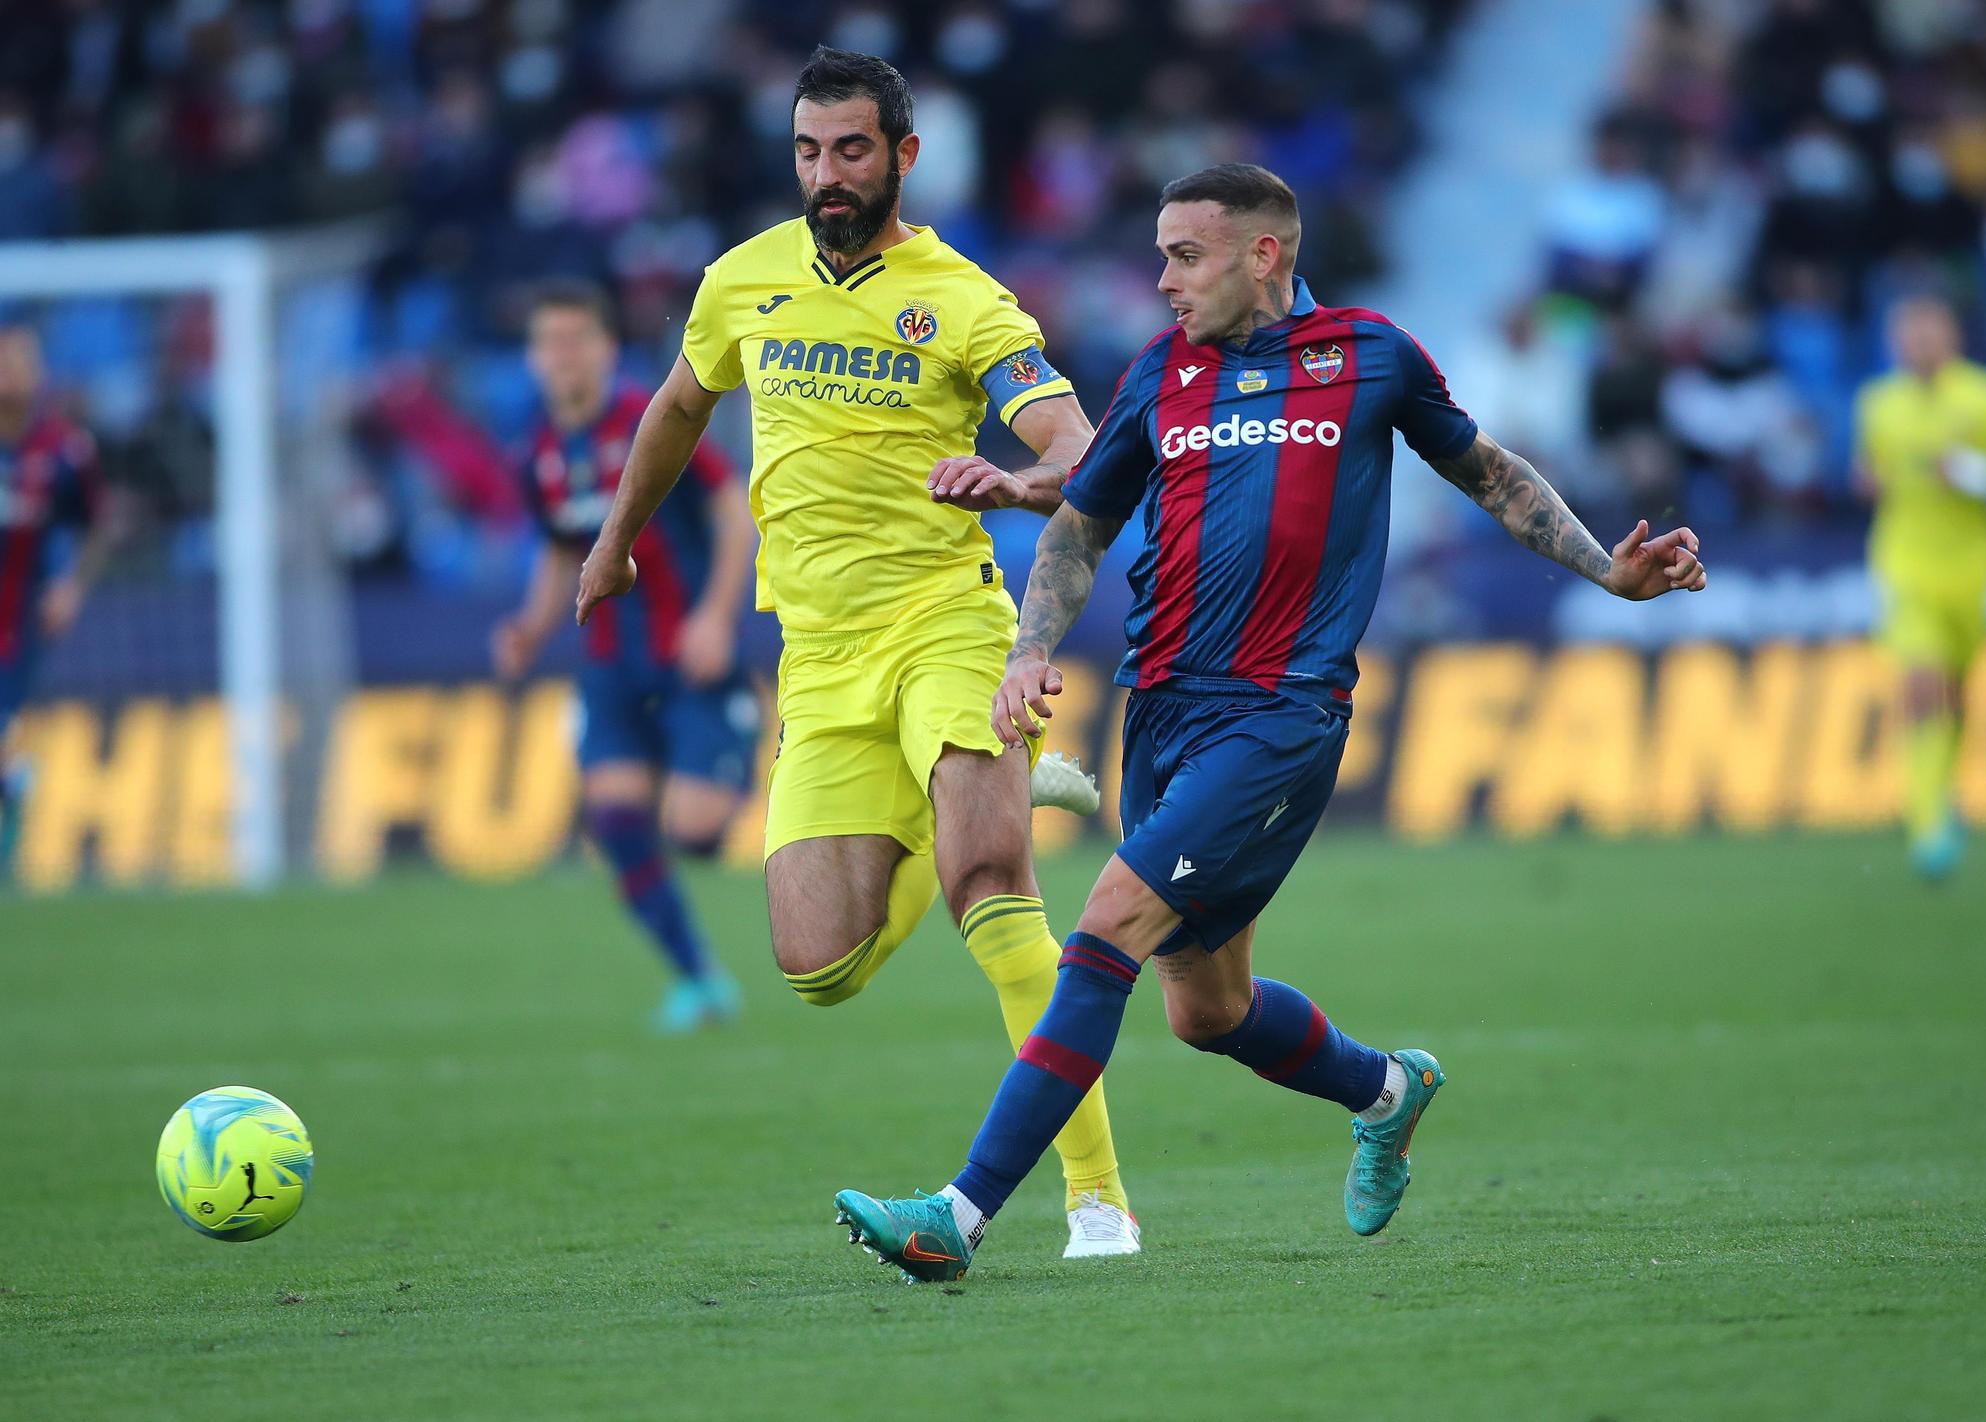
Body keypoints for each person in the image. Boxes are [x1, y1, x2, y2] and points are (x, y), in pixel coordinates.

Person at [833, 164, 1707, 1283]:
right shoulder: (1159, 373)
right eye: (1159, 255)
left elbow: (1491, 475)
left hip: (1281, 716)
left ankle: (956, 1216)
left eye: (1183, 256)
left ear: (1263, 255)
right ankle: (1385, 1089)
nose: (1162, 280)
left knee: (1104, 926)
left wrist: (1605, 571)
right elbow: (1081, 524)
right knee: (1207, 1010)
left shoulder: (1370, 358)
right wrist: (1031, 645)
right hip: (1161, 710)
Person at [574, 49, 1137, 1257]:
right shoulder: (741, 282)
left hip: (944, 620)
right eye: (807, 151)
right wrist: (612, 545)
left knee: (994, 892)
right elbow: (676, 409)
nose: (826, 174)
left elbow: (1081, 448)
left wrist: (1016, 482)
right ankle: (968, 801)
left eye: (850, 150)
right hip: (818, 654)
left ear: (903, 156)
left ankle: (1097, 1202)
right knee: (815, 967)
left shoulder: (967, 300)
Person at [493, 282, 757, 1033]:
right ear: (533, 357)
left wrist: (715, 617)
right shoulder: (539, 455)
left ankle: (746, 742)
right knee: (615, 820)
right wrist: (530, 627)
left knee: (696, 832)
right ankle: (699, 978)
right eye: (549, 341)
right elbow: (560, 552)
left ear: (607, 348)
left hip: (688, 656)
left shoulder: (657, 420)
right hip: (610, 662)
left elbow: (733, 514)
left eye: (577, 338)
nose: (563, 355)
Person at [1854, 296, 1986, 879]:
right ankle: (1926, 822)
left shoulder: (1984, 398)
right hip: (1904, 561)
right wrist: (1870, 481)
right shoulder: (1878, 403)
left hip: (1971, 566)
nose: (1917, 346)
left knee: (1955, 691)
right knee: (1921, 681)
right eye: (1908, 337)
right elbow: (1866, 471)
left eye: (1927, 334)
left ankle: (1944, 790)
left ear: (1951, 337)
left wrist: (1966, 472)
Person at [0, 322, 115, 874]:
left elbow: (99, 524)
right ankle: (14, 786)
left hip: (19, 619)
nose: (11, 374)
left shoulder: (65, 449)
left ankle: (11, 822)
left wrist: (70, 586)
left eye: (21, 363)